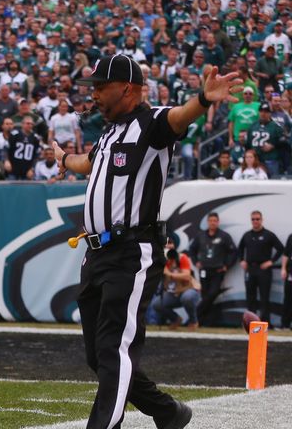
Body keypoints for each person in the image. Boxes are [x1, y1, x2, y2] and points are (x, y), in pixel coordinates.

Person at [54, 54, 242, 429]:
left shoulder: (151, 122)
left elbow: (178, 118)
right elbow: (88, 163)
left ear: (127, 88)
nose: (93, 96)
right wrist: (63, 159)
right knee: (98, 355)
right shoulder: (108, 133)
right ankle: (169, 412)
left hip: (130, 250)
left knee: (113, 349)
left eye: (100, 87)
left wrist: (203, 100)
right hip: (96, 254)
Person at [189, 213, 237, 327]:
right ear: (207, 222)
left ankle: (195, 316)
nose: (212, 222)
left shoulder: (224, 236)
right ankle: (205, 322)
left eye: (215, 220)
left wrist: (227, 265)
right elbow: (192, 249)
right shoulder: (200, 235)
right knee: (205, 296)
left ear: (218, 222)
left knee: (213, 294)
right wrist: (196, 262)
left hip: (218, 271)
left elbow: (233, 252)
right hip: (204, 270)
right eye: (210, 220)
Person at [238, 211, 285, 325]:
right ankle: (250, 323)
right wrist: (242, 260)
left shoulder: (268, 235)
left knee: (264, 297)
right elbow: (239, 249)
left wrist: (271, 262)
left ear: (261, 220)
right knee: (250, 297)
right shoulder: (247, 235)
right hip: (250, 269)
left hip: (264, 270)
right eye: (253, 219)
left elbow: (281, 248)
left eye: (257, 219)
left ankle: (264, 323)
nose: (255, 221)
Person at [151, 241, 201, 330]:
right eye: (167, 247)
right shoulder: (161, 260)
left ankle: (193, 321)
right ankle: (176, 319)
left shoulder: (181, 257)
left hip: (188, 289)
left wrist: (169, 274)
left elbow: (187, 276)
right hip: (173, 292)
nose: (169, 249)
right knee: (156, 304)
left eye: (171, 247)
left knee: (187, 298)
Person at [282, 233, 292, 330]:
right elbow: (286, 254)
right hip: (290, 274)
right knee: (288, 300)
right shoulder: (291, 236)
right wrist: (283, 268)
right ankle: (285, 325)